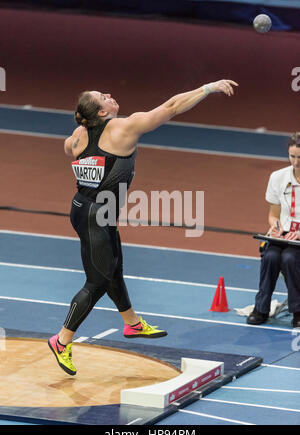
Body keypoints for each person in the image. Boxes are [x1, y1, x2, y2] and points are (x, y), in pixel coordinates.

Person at [48, 79, 238, 375]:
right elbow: (172, 106)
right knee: (97, 282)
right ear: (100, 112)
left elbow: (68, 150)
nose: (110, 95)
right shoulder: (125, 127)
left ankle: (132, 323)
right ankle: (62, 340)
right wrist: (208, 88)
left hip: (87, 209)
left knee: (114, 268)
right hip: (96, 216)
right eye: (103, 96)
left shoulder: (78, 135)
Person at [247, 132, 300, 328]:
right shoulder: (278, 177)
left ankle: (298, 311)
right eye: (292, 156)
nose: (295, 162)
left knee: (289, 259)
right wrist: (275, 227)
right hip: (284, 237)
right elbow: (274, 214)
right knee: (270, 256)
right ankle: (261, 308)